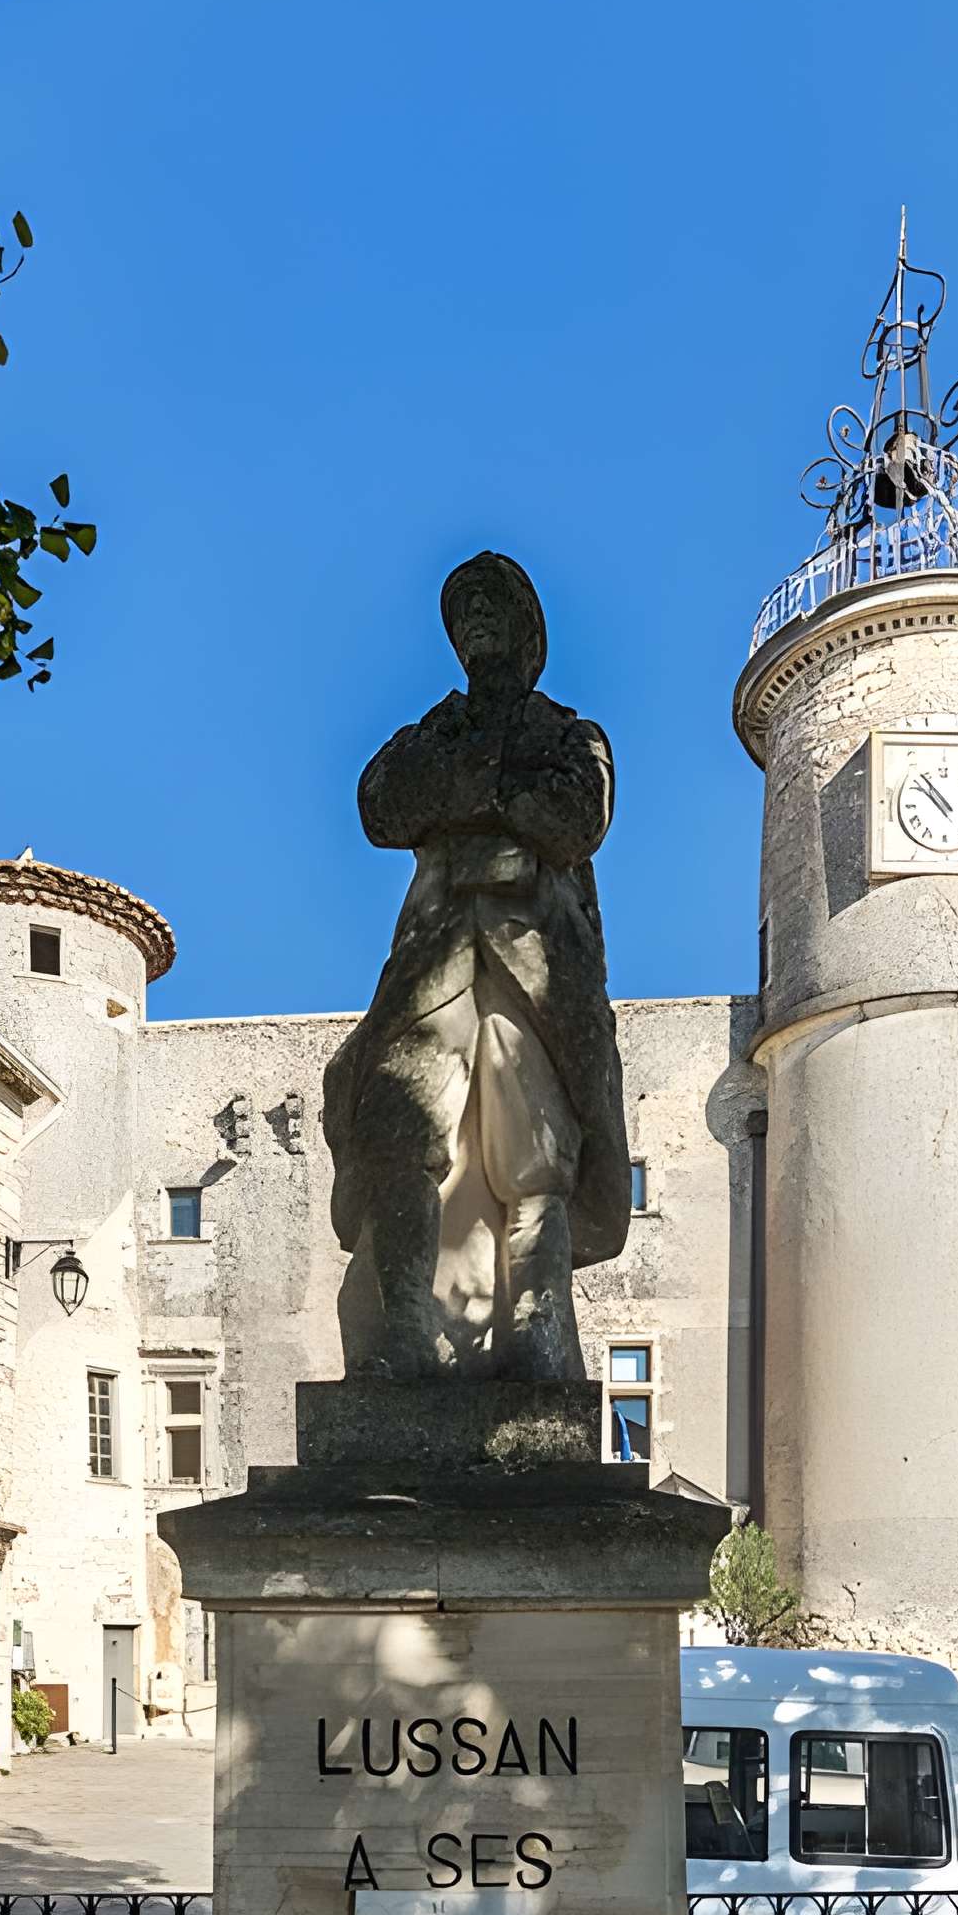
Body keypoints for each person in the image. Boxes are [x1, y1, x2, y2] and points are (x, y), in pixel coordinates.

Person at [324, 552, 629, 1380]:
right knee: (400, 1128)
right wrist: (499, 793)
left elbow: (575, 817)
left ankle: (535, 1331)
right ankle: (404, 1328)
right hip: (435, 951)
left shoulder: (570, 734)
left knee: (536, 1146)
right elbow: (381, 807)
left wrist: (464, 795)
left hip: (537, 961)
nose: (478, 620)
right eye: (464, 611)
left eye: (494, 605)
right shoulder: (430, 733)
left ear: (528, 630)